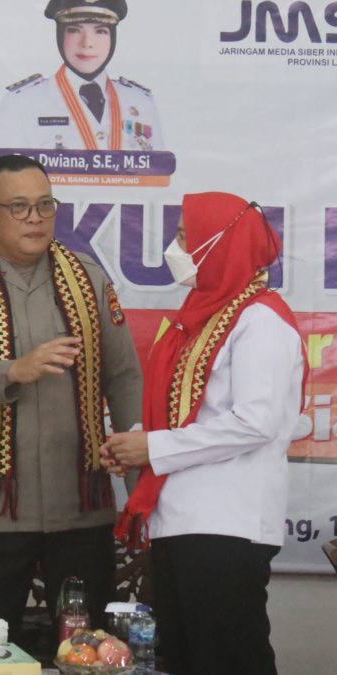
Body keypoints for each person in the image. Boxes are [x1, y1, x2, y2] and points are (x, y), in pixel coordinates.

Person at [0, 154, 142, 645]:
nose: (36, 219)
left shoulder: (88, 279)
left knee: (88, 651)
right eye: (19, 207)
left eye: (45, 205)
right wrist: (12, 372)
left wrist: (139, 483)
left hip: (81, 506)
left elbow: (125, 378)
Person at [100, 192, 307, 675]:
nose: (174, 248)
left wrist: (152, 447)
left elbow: (255, 421)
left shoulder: (261, 320)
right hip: (180, 520)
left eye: (184, 237)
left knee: (228, 659)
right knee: (184, 660)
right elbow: (185, 414)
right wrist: (133, 443)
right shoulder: (201, 315)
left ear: (221, 244)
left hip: (229, 523)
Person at [0, 0, 164, 151]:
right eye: (74, 30)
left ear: (113, 37)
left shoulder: (141, 102)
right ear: (59, 35)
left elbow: (160, 174)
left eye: (100, 31)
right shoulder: (21, 103)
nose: (87, 43)